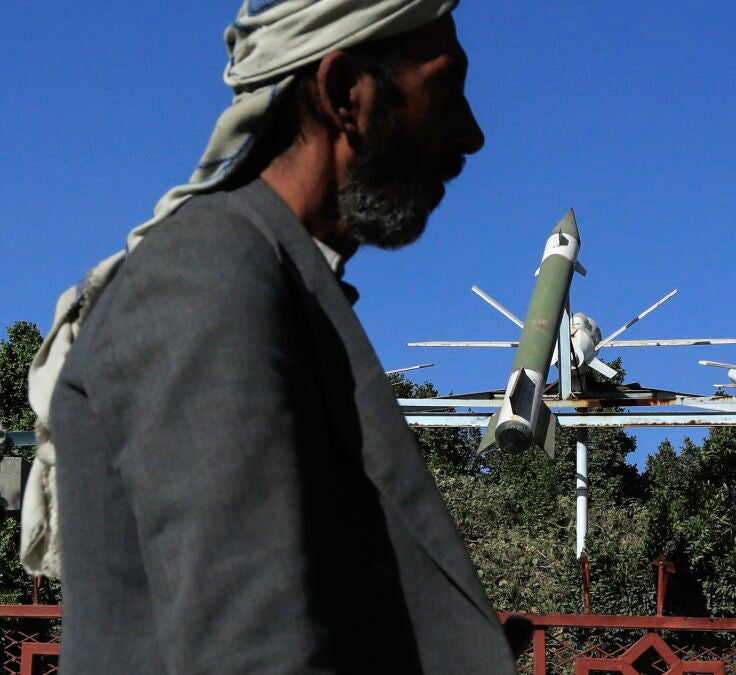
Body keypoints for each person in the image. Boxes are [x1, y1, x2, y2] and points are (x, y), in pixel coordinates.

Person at [22, 1, 519, 672]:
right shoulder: (208, 273)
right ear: (346, 94)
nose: (471, 133)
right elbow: (252, 648)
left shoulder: (269, 275)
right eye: (447, 86)